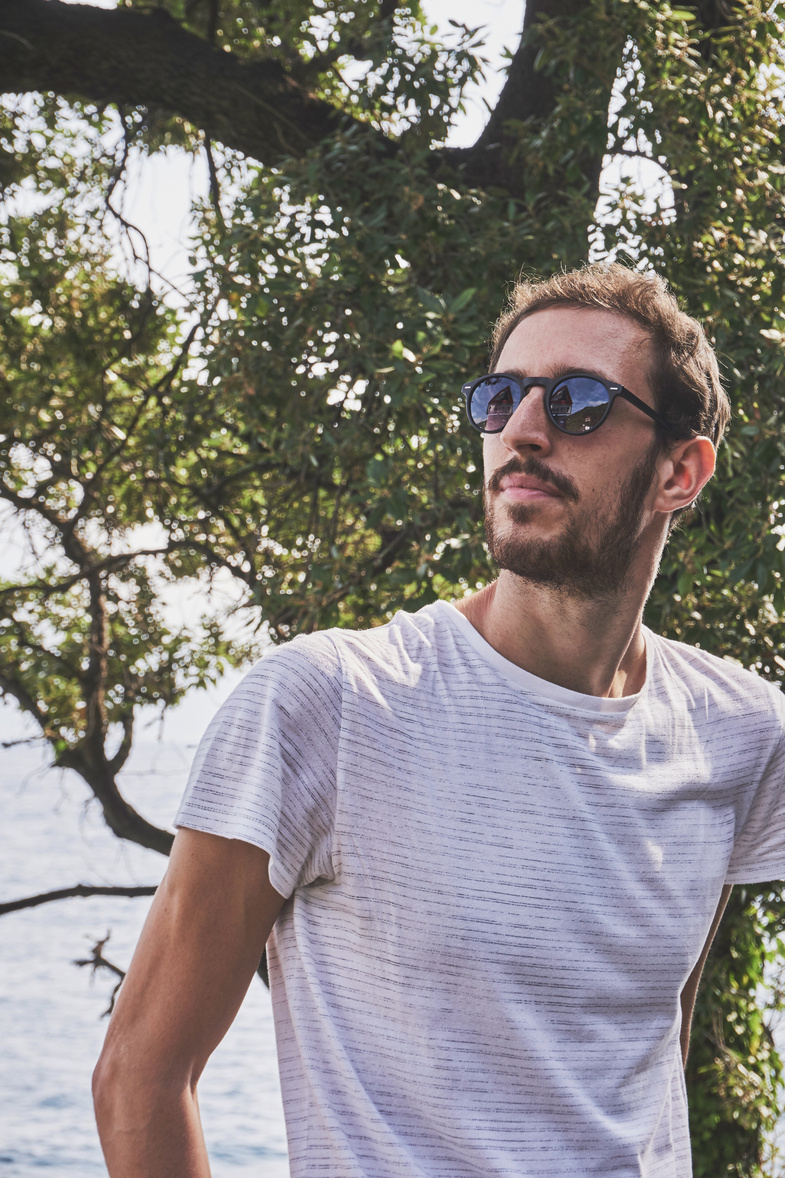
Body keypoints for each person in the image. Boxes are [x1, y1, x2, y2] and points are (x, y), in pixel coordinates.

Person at [93, 263, 785, 1178]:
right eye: (499, 399)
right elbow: (140, 1076)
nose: (525, 431)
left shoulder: (738, 734)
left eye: (579, 403)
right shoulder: (330, 705)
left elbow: (653, 1036)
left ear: (678, 471)